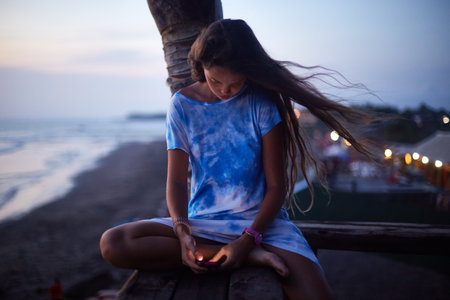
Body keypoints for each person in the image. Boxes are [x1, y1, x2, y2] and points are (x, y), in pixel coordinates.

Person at [100, 19, 372, 299]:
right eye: (216, 80)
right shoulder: (182, 106)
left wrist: (247, 240)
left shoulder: (260, 103)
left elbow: (277, 188)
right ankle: (248, 257)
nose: (225, 91)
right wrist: (182, 231)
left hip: (263, 227)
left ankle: (244, 252)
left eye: (236, 83)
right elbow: (178, 181)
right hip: (204, 223)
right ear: (201, 66)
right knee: (114, 242)